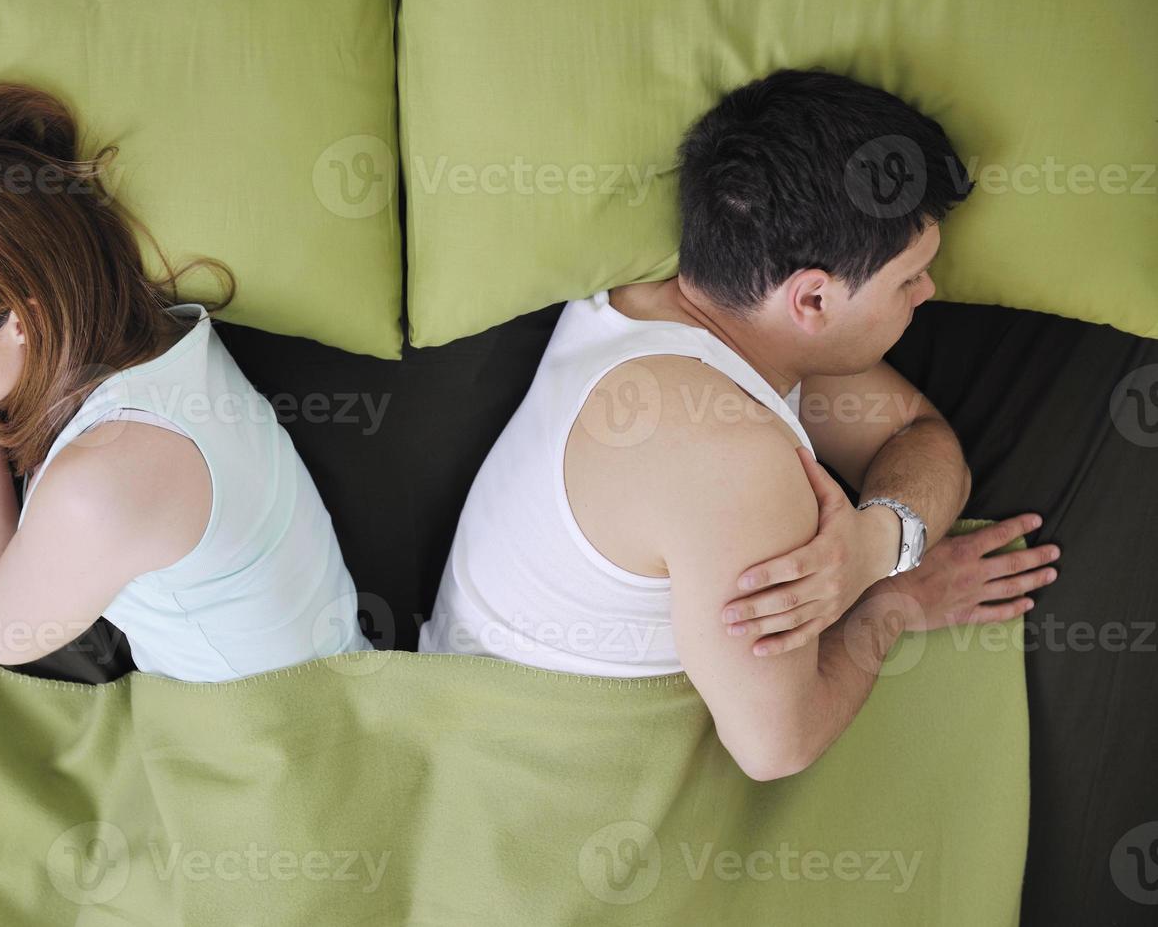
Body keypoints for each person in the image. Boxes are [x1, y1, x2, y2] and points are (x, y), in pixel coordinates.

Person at [418, 69, 1060, 780]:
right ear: (812, 299)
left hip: (460, 713)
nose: (930, 291)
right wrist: (895, 604)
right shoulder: (736, 460)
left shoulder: (673, 304)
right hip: (526, 779)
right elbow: (776, 749)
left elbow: (918, 435)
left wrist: (877, 545)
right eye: (908, 278)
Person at [0, 82, 372, 681]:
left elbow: (5, 635)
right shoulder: (116, 338)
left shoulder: (102, 480)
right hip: (337, 682)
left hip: (279, 744)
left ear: (19, 318)